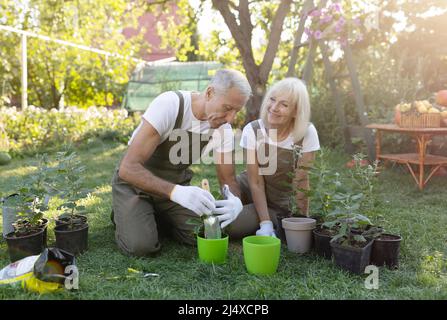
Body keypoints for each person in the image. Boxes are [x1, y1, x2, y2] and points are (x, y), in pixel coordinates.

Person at [111, 69, 251, 256]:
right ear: (210, 93)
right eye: (227, 108)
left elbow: (228, 179)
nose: (231, 118)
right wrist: (175, 192)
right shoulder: (170, 105)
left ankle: (152, 217)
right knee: (141, 246)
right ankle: (126, 214)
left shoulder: (223, 129)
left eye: (237, 111)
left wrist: (235, 201)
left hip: (174, 192)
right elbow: (127, 169)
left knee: (206, 233)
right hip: (135, 186)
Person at [227, 78, 320, 240]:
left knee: (232, 226)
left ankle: (255, 214)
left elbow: (301, 181)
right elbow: (255, 181)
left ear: (296, 111)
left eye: (284, 105)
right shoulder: (253, 130)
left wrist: (302, 222)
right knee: (218, 212)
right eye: (272, 99)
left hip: (277, 203)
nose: (274, 108)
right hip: (249, 187)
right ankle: (253, 214)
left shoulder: (306, 134)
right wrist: (265, 224)